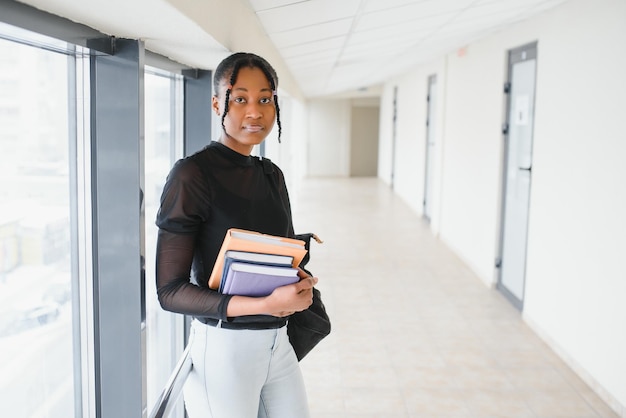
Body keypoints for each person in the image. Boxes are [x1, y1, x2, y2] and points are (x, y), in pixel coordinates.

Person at [154, 52, 317, 418]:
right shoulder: (191, 175)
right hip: (224, 348)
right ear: (217, 104)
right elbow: (170, 292)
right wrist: (263, 306)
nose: (255, 112)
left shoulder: (271, 174)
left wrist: (299, 283)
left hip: (278, 342)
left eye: (265, 99)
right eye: (240, 98)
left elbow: (281, 256)